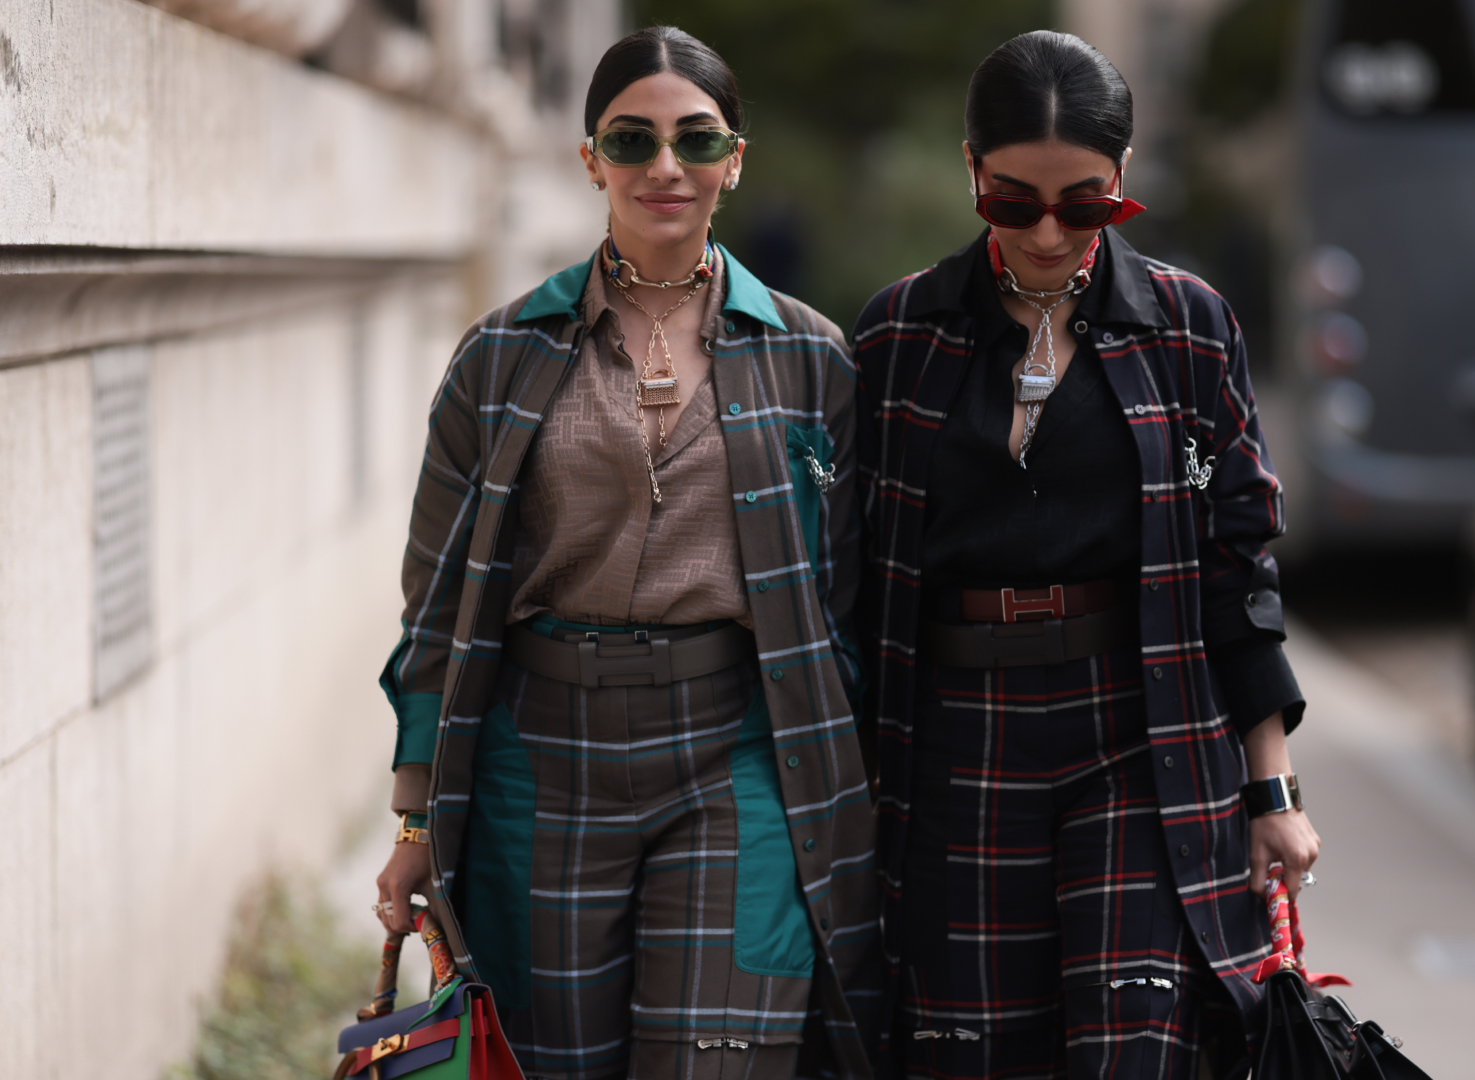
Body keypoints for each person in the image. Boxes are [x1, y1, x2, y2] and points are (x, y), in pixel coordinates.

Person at [371, 26, 879, 1080]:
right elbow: (436, 610)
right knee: (549, 1064)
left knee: (720, 1060)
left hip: (735, 755)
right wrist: (418, 816)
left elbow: (850, 606)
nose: (665, 166)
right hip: (538, 761)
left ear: (735, 159)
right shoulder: (502, 355)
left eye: (696, 141)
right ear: (589, 156)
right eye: (632, 138)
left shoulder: (811, 359)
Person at [851, 31, 1320, 1080]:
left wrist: (1272, 793)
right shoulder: (897, 338)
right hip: (953, 744)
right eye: (1014, 203)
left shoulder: (1189, 328)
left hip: (1139, 736)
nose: (1052, 232)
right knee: (968, 1056)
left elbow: (1236, 568)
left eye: (1087, 203)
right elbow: (852, 576)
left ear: (1123, 181)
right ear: (971, 173)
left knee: (1137, 1049)